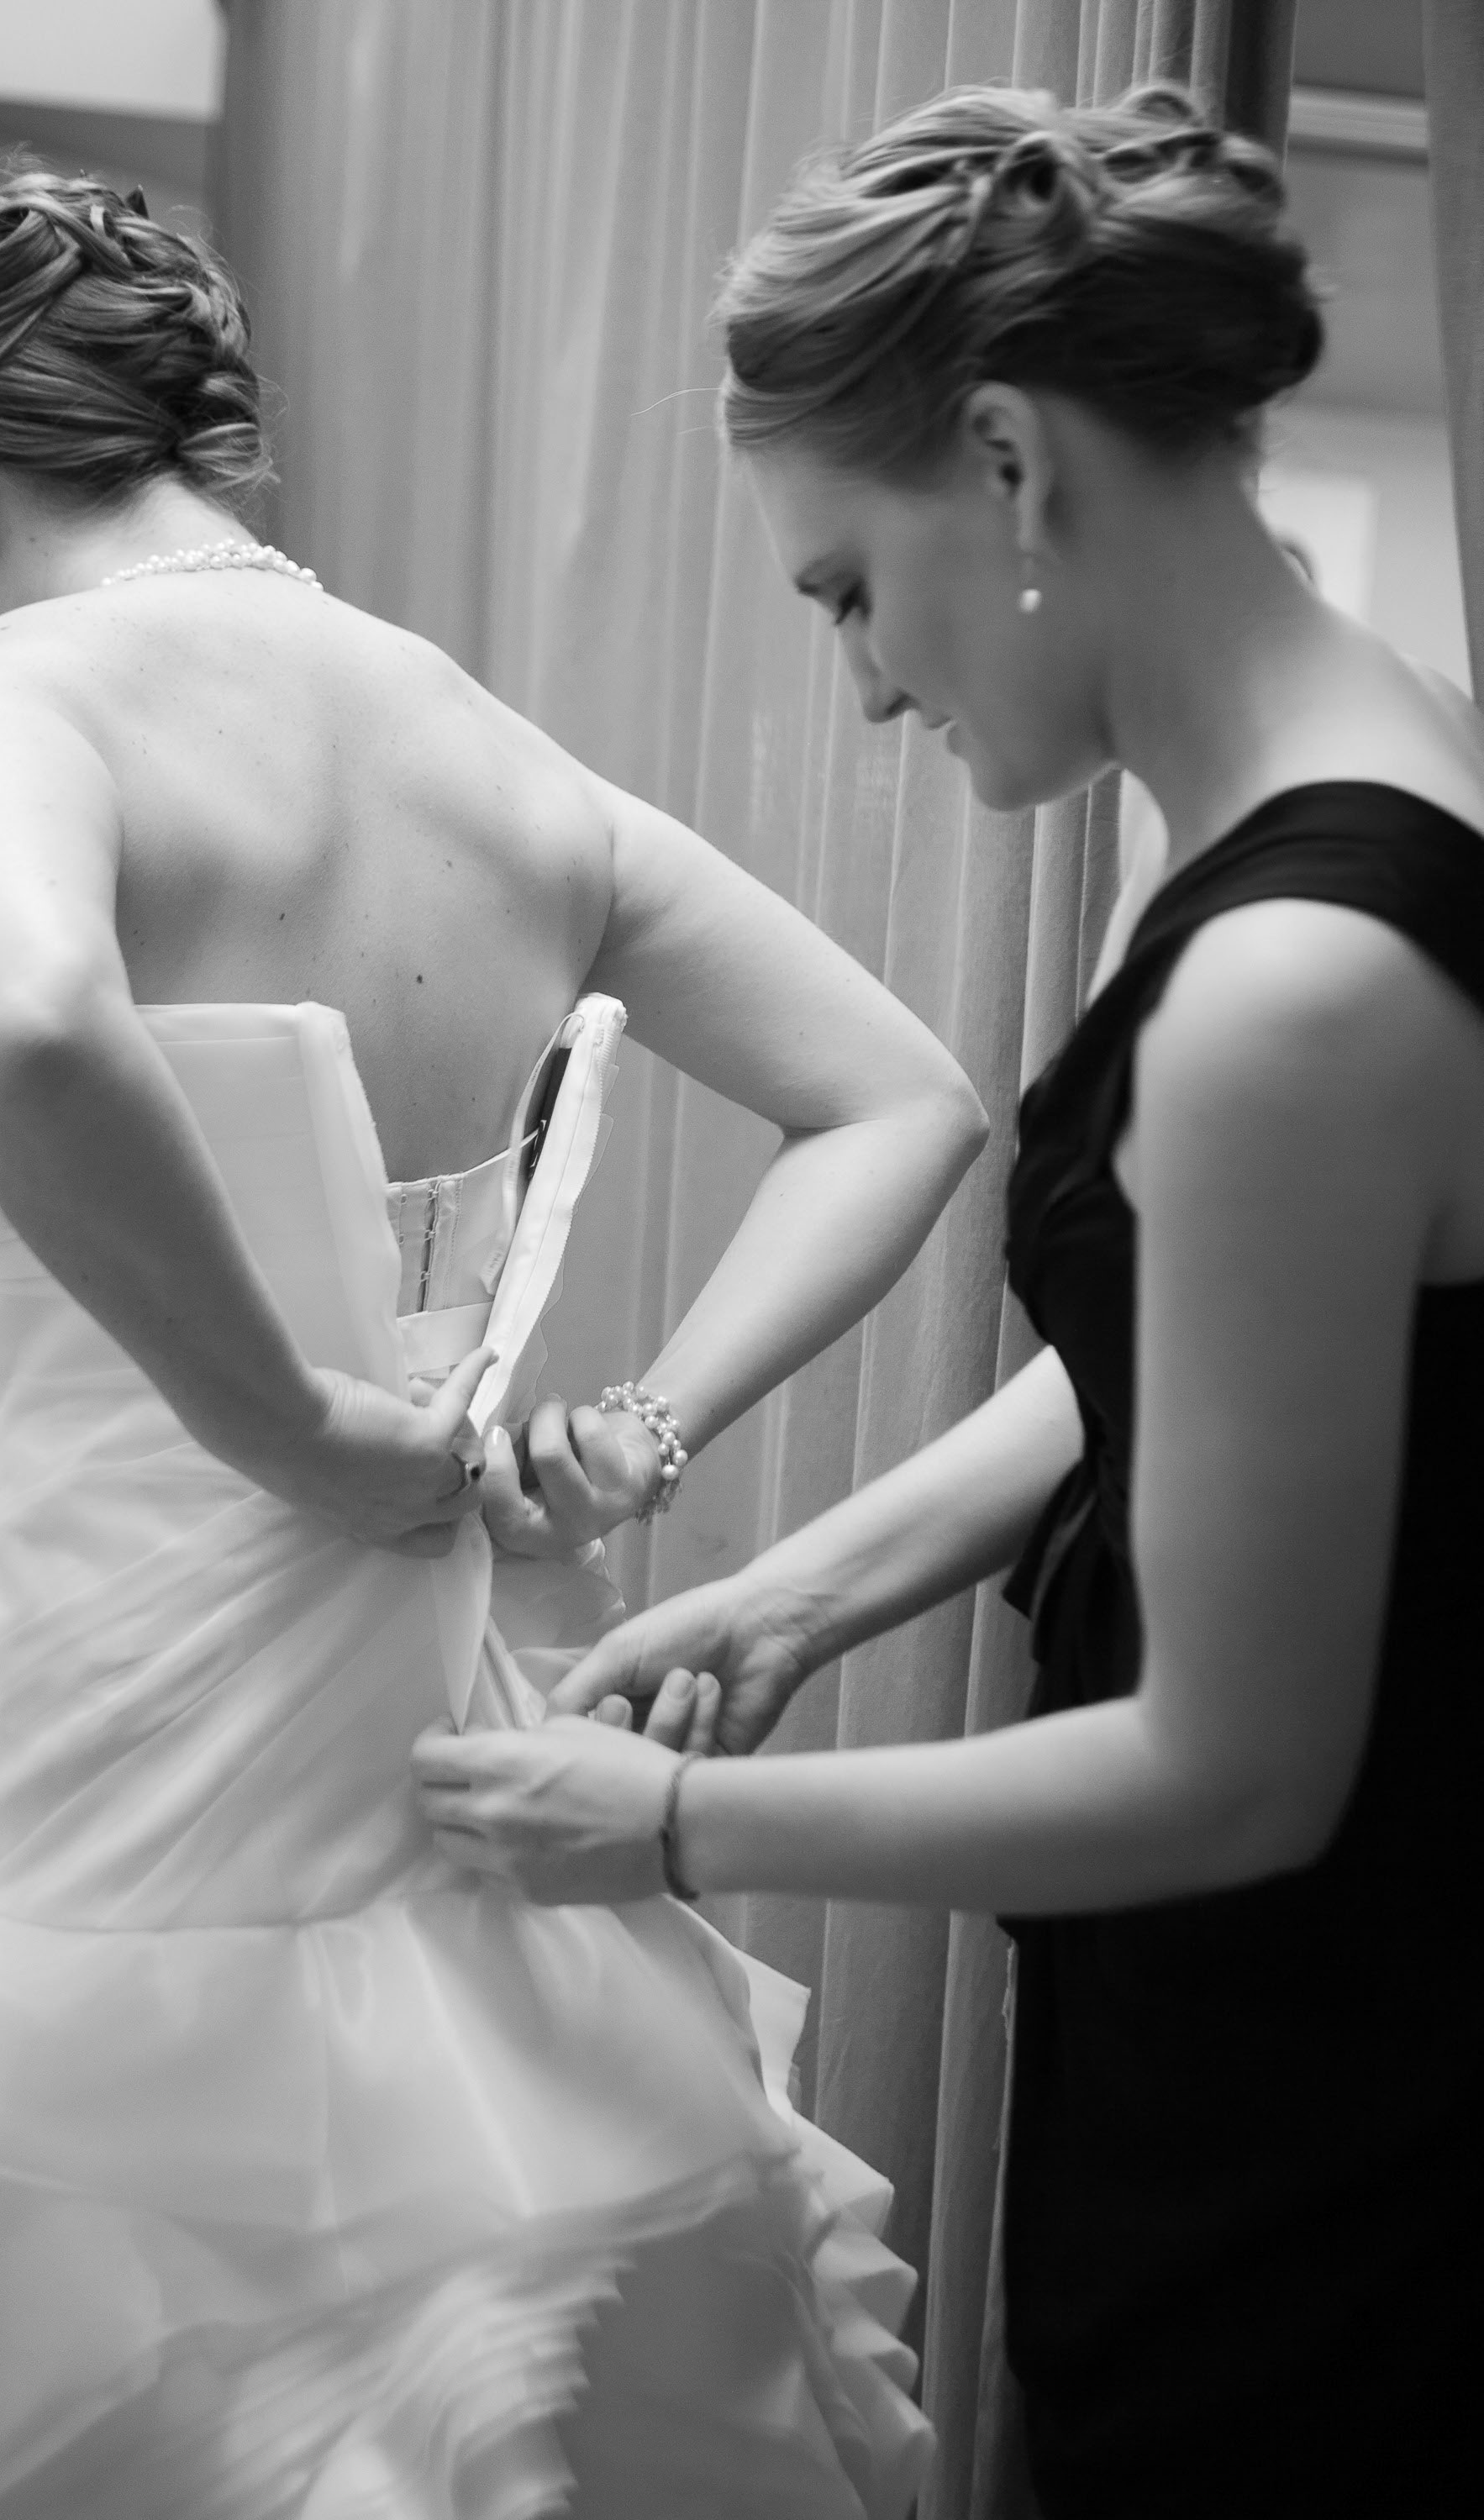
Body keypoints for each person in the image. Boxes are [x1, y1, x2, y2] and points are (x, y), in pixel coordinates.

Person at [0, 169, 990, 2518]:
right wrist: (636, 1428)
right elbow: (906, 1099)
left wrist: (287, 1420)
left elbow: (37, 1017)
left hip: (102, 1766)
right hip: (439, 1725)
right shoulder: (500, 761)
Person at [414, 82, 1484, 2520]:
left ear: (1004, 465)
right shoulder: (1352, 782)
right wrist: (800, 1584)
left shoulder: (1289, 988)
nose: (869, 691)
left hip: (1321, 2071)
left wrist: (674, 1823)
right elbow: (1199, 1361)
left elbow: (1237, 1764)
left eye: (843, 593)